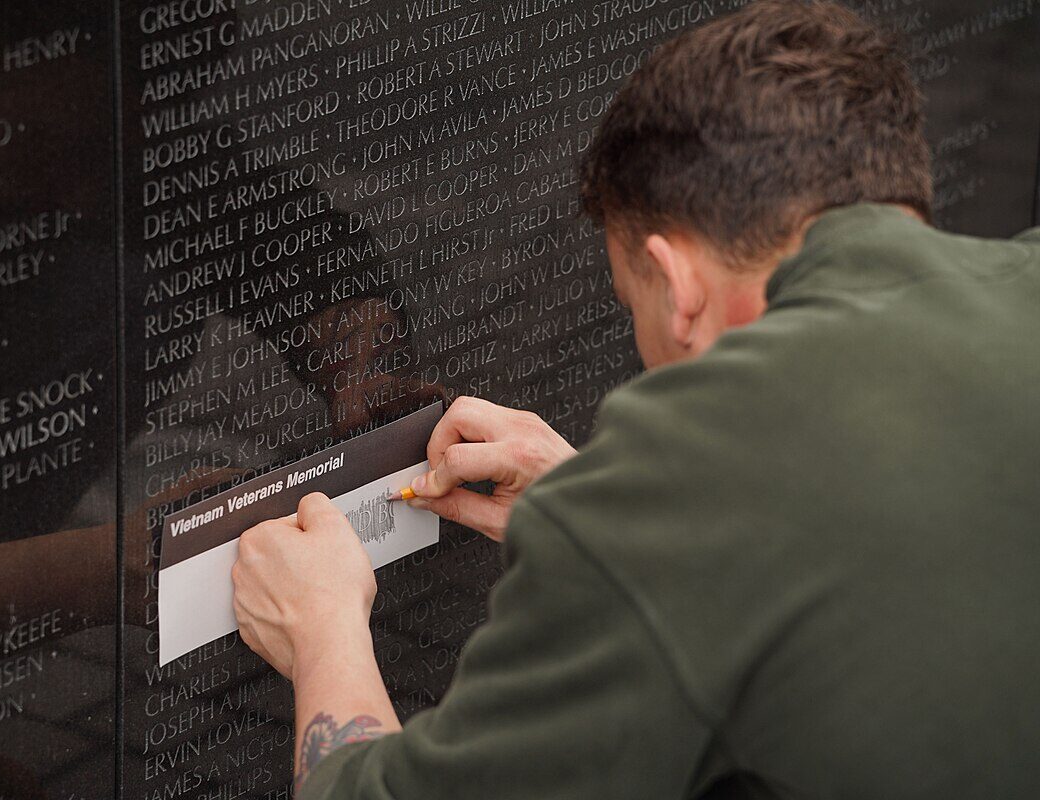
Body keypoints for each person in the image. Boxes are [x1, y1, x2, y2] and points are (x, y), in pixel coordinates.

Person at [230, 0, 1040, 796]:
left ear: (679, 286)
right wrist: (611, 520)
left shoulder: (682, 470)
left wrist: (319, 628)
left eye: (630, 303)